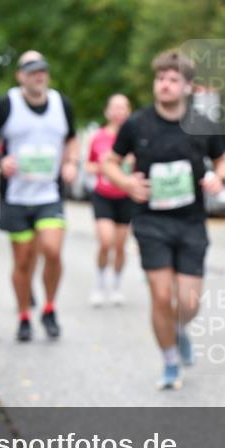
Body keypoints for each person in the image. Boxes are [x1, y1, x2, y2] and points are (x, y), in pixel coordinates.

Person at [102, 50, 225, 390]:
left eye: (173, 80)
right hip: (150, 222)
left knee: (189, 303)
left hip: (191, 223)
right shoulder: (136, 124)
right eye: (161, 79)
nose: (165, 85)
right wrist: (127, 182)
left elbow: (223, 161)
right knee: (161, 296)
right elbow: (110, 162)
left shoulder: (202, 125)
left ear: (188, 87)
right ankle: (170, 361)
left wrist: (219, 178)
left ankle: (177, 329)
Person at [0, 51, 79, 342]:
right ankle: (24, 314)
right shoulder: (6, 104)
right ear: (20, 76)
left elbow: (71, 139)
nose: (39, 75)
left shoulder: (62, 104)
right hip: (17, 197)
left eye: (43, 70)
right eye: (32, 71)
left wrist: (71, 162)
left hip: (49, 194)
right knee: (23, 262)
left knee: (52, 250)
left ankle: (49, 307)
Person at [86, 94, 134, 307]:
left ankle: (116, 285)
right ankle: (98, 284)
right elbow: (88, 166)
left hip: (126, 196)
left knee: (121, 246)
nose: (118, 112)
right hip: (103, 195)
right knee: (106, 242)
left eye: (123, 108)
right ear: (107, 111)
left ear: (128, 112)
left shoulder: (135, 136)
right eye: (114, 107)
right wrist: (105, 167)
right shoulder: (98, 137)